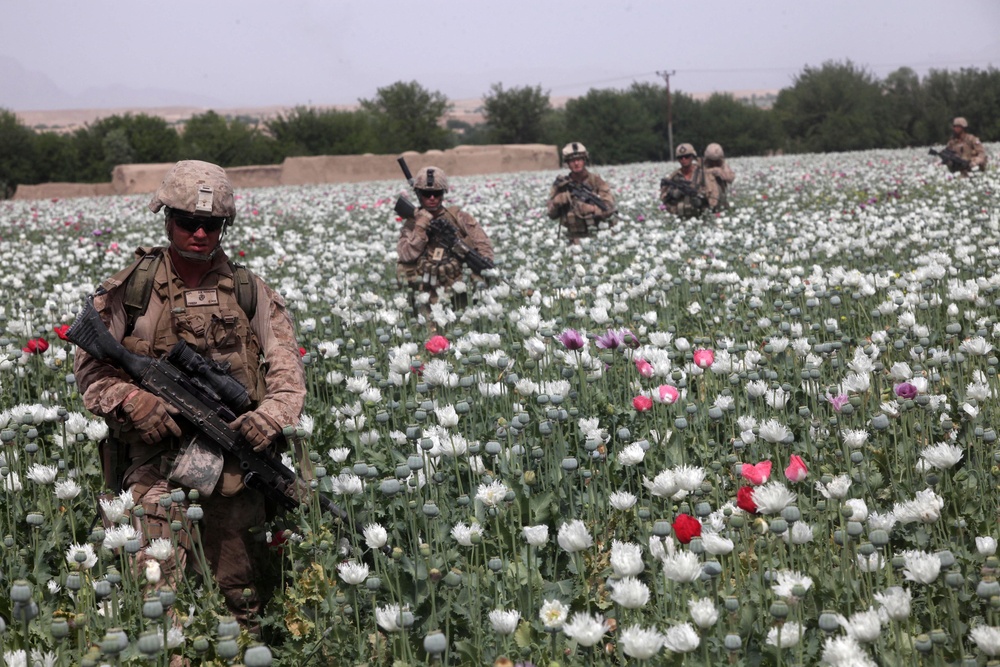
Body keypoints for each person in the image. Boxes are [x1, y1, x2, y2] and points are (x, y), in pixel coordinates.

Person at [73, 160, 306, 628]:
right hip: (155, 465)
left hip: (233, 462)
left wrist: (272, 415)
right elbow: (90, 371)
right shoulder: (133, 290)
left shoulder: (248, 290)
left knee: (243, 603)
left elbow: (287, 369)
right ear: (167, 219)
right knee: (158, 605)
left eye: (212, 225)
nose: (200, 234)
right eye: (188, 223)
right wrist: (133, 400)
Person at [397, 165, 494, 317]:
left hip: (457, 287)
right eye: (426, 193)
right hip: (425, 290)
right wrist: (421, 226)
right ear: (418, 193)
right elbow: (406, 255)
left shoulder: (459, 218)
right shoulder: (413, 223)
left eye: (437, 193)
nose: (432, 198)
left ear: (443, 194)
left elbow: (483, 245)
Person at [546, 142, 616, 244]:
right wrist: (556, 203)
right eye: (572, 161)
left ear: (584, 160)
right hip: (574, 239)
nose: (576, 163)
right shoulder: (562, 185)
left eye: (579, 159)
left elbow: (609, 208)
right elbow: (551, 215)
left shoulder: (596, 181)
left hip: (597, 238)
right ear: (567, 163)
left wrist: (591, 209)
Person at [660, 143, 714, 218]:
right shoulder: (674, 176)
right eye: (680, 157)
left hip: (701, 217)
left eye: (687, 156)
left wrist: (701, 199)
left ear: (692, 157)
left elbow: (713, 196)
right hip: (680, 217)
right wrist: (672, 193)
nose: (683, 159)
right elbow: (663, 197)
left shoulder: (702, 174)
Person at [702, 143, 735, 211]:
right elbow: (700, 173)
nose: (714, 163)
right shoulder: (703, 166)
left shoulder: (723, 165)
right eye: (711, 161)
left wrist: (722, 173)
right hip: (708, 201)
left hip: (721, 199)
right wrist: (711, 171)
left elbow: (731, 178)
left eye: (716, 161)